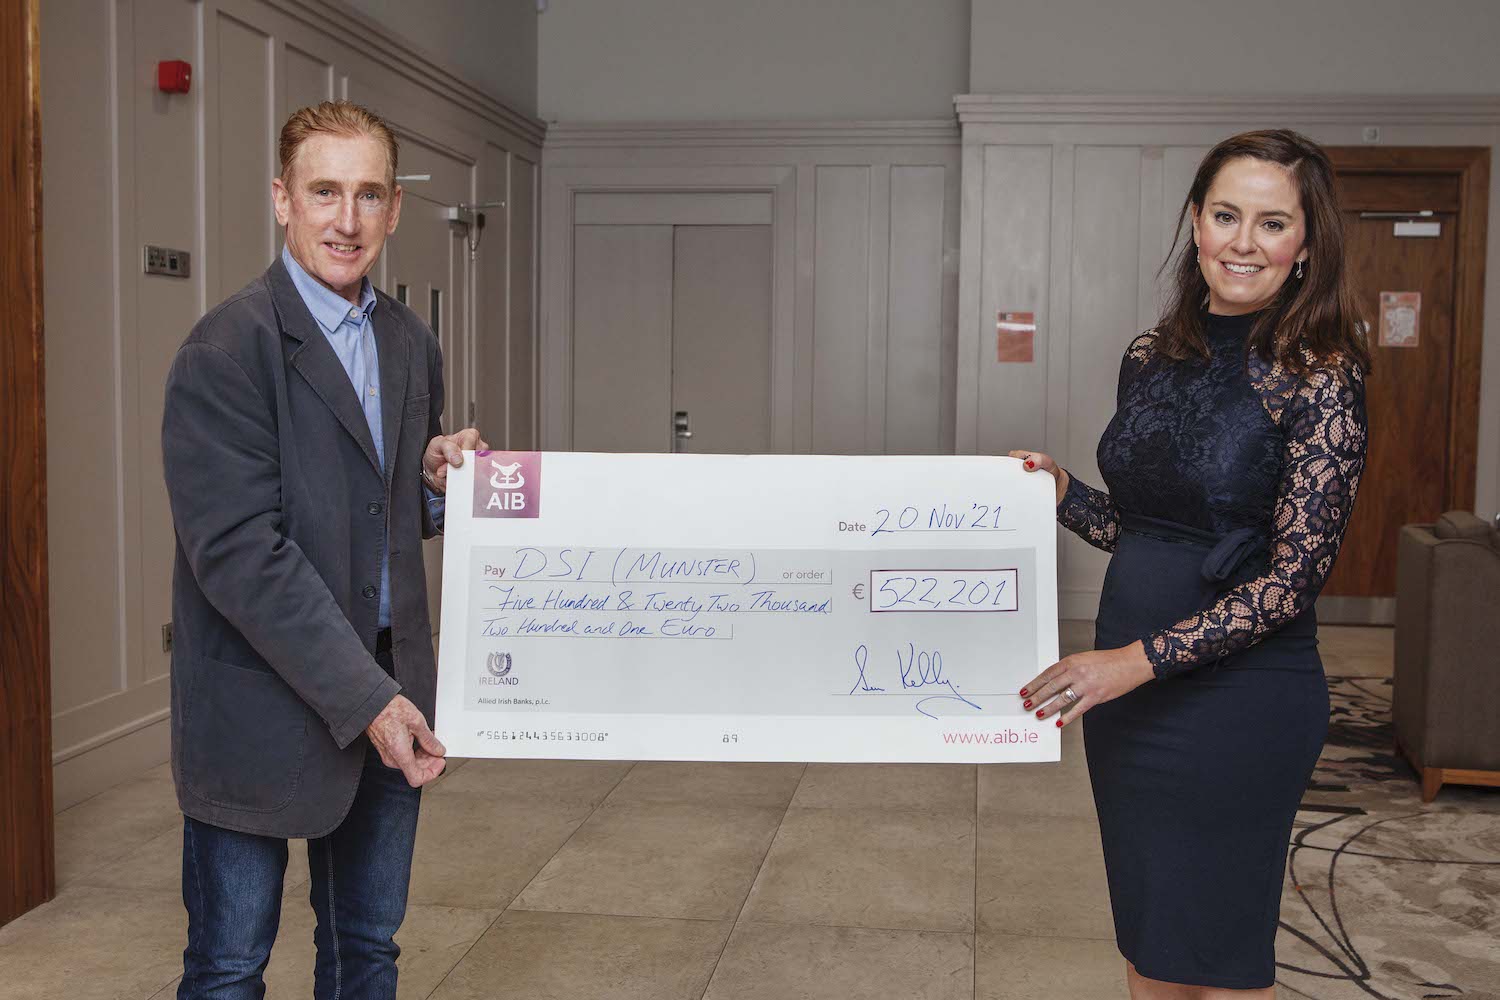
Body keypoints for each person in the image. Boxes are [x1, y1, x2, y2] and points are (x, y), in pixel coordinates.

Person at [1012, 129, 1370, 997]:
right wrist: (1061, 490)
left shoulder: (1322, 374)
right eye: (1225, 215)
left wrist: (1128, 665)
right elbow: (1142, 531)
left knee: (1219, 948)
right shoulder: (1151, 357)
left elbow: (1291, 582)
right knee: (1151, 934)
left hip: (1240, 700)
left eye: (1272, 222)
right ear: (1196, 222)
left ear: (1306, 245)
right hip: (1128, 699)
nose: (1243, 241)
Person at [161, 100, 486, 999]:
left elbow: (374, 510)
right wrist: (370, 701)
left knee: (366, 951)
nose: (347, 219)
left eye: (369, 194)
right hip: (261, 702)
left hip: (390, 679)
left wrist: (429, 480)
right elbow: (239, 554)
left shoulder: (410, 344)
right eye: (324, 191)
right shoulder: (225, 351)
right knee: (230, 965)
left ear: (394, 211)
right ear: (282, 200)